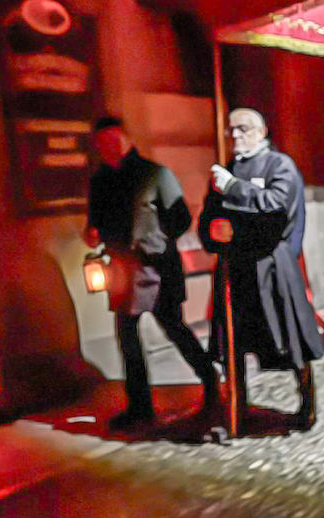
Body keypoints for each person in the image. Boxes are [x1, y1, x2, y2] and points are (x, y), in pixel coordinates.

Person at [85, 117, 219, 431]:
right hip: (121, 268)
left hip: (156, 267)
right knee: (128, 338)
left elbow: (180, 218)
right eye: (103, 142)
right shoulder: (100, 180)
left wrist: (154, 240)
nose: (109, 147)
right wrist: (92, 233)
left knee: (173, 327)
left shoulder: (154, 174)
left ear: (127, 139)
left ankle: (210, 380)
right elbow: (94, 221)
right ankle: (140, 406)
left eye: (114, 139)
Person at [199, 108, 324, 430]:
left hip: (271, 265)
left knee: (289, 338)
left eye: (243, 129)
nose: (235, 135)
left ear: (262, 131)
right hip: (236, 267)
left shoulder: (278, 165)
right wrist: (212, 232)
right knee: (235, 341)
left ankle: (307, 404)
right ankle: (237, 406)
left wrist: (233, 188)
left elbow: (275, 204)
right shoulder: (227, 170)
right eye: (231, 130)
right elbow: (209, 216)